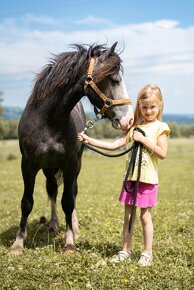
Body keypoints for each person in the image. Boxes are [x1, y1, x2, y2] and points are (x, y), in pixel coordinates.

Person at [78, 84, 170, 266]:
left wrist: (143, 140)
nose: (148, 111)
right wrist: (90, 140)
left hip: (147, 180)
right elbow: (115, 145)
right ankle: (125, 250)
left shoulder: (161, 127)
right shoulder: (134, 127)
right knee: (128, 216)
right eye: (144, 107)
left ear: (159, 105)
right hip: (131, 179)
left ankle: (147, 253)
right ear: (139, 106)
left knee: (145, 217)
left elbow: (162, 153)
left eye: (152, 107)